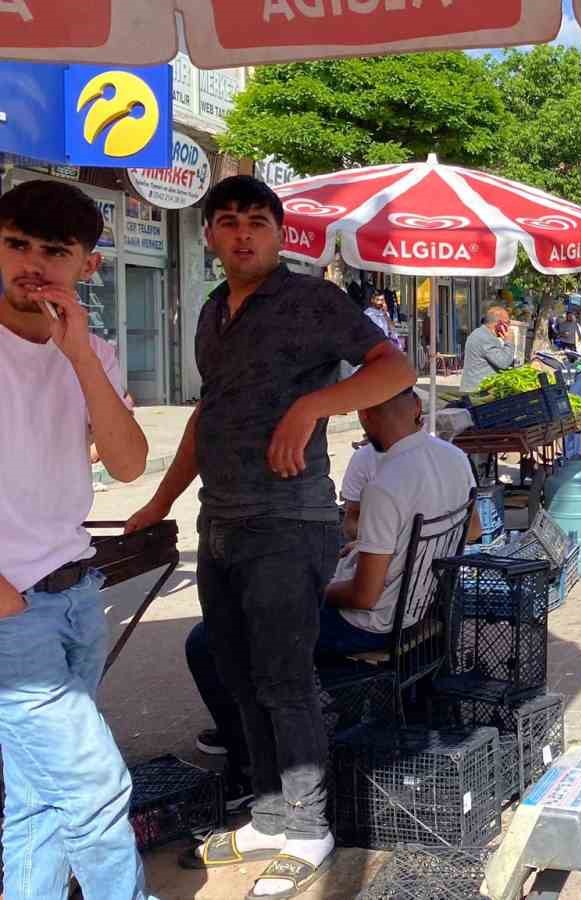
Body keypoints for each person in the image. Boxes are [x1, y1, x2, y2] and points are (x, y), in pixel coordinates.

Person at [125, 175, 414, 894]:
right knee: (238, 675)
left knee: (286, 682)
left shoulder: (314, 299)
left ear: (280, 234)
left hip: (289, 525)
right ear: (211, 237)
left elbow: (394, 368)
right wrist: (161, 499)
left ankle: (310, 829)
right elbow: (206, 417)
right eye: (228, 222)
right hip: (219, 524)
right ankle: (268, 812)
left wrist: (314, 405)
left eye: (257, 220)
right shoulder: (212, 311)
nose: (243, 233)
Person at [186, 392, 480, 793]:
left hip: (375, 625)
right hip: (428, 605)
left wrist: (311, 591)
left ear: (365, 416)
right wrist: (376, 550)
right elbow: (474, 530)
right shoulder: (453, 458)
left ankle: (248, 756)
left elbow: (363, 598)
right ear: (416, 409)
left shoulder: (386, 484)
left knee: (208, 640)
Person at [0, 179, 152, 898]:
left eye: (53, 251)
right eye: (15, 244)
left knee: (37, 802)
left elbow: (125, 462)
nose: (31, 263)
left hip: (76, 592)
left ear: (87, 265)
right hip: (10, 612)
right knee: (93, 789)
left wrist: (81, 358)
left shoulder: (93, 351)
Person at [461, 305, 515, 393]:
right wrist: (509, 342)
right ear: (499, 324)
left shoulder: (480, 333)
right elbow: (504, 363)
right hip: (479, 392)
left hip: (475, 389)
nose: (509, 327)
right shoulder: (486, 338)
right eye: (508, 323)